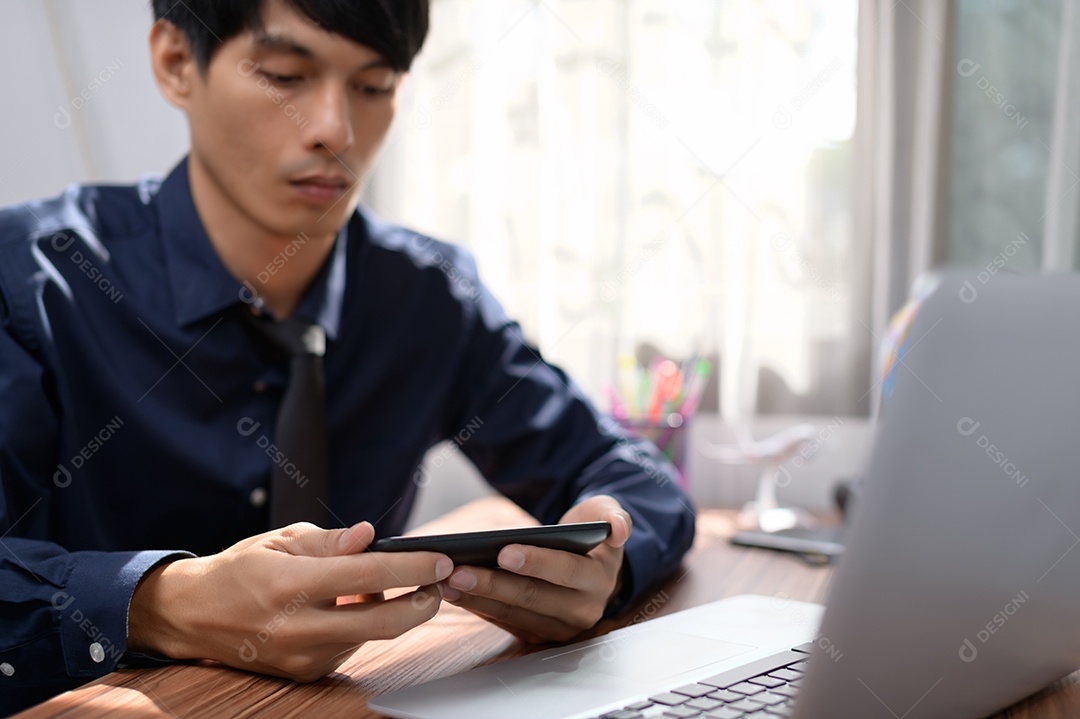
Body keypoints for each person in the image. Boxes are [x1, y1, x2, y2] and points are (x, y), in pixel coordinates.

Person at [0, 0, 695, 712]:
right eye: (283, 76)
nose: (336, 130)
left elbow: (634, 476)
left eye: (374, 86)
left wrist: (610, 562)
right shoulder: (31, 279)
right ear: (178, 62)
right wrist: (158, 602)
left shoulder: (428, 297)